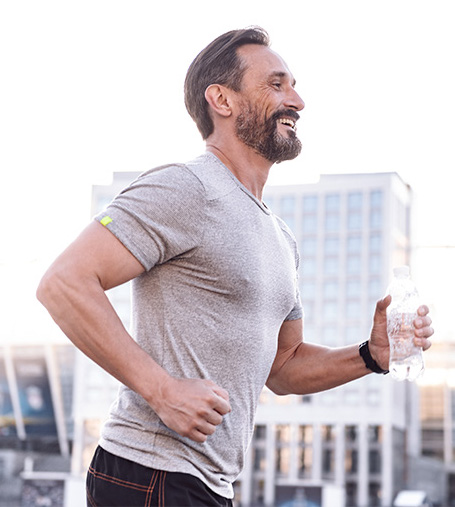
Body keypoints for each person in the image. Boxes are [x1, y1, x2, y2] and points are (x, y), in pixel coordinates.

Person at [37, 27, 433, 507]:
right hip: (151, 472)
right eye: (276, 84)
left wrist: (370, 355)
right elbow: (63, 283)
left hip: (211, 485)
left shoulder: (280, 237)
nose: (298, 100)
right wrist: (161, 390)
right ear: (221, 99)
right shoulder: (184, 187)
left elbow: (283, 369)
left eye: (293, 85)